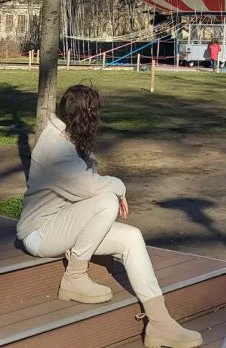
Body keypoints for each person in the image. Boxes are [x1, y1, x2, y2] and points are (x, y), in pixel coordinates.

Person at [17, 85, 201, 348]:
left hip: (66, 226)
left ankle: (159, 322)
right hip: (40, 233)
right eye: (95, 115)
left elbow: (85, 187)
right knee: (106, 200)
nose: (98, 122)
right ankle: (75, 277)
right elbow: (89, 187)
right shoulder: (55, 148)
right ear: (85, 118)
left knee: (132, 237)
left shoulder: (68, 139)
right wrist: (119, 187)